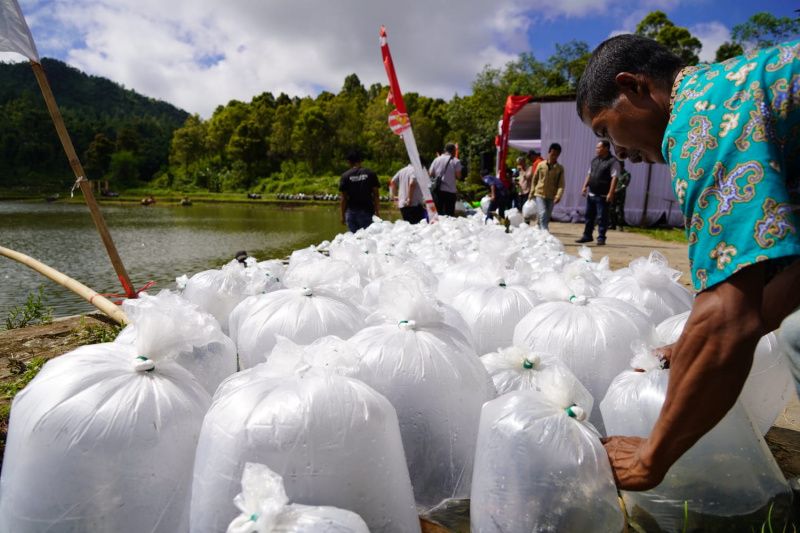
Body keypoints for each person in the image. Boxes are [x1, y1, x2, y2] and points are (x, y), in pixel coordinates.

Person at [576, 34, 800, 491]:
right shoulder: (734, 90)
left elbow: (728, 318)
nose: (616, 151)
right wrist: (697, 347)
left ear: (633, 87)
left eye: (604, 129)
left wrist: (649, 458)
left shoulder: (701, 118)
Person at [576, 140, 619, 245]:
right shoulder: (594, 160)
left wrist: (610, 193)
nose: (597, 150)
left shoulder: (613, 162)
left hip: (603, 195)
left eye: (599, 148)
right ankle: (587, 236)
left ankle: (601, 238)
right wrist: (584, 186)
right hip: (592, 193)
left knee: (602, 217)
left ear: (606, 149)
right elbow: (589, 174)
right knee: (588, 216)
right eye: (596, 148)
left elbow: (615, 178)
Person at [339, 150, 380, 233]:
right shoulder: (371, 174)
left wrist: (342, 216)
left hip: (351, 213)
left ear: (349, 162)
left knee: (355, 241)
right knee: (367, 239)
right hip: (367, 212)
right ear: (361, 161)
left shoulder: (345, 176)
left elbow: (344, 199)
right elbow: (376, 195)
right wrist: (377, 212)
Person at [529, 143, 565, 231]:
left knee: (546, 216)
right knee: (543, 213)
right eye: (553, 154)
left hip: (551, 196)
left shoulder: (560, 168)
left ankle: (539, 229)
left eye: (557, 155)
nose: (554, 157)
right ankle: (545, 233)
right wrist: (532, 192)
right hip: (539, 194)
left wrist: (558, 195)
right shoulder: (541, 165)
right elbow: (535, 179)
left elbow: (561, 184)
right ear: (549, 153)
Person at [429, 143, 462, 216]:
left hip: (438, 192)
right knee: (449, 216)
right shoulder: (456, 161)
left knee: (439, 215)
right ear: (453, 151)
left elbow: (431, 173)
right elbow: (458, 176)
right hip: (450, 192)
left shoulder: (436, 160)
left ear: (445, 150)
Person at [608, 160, 631, 230]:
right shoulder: (615, 174)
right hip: (613, 194)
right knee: (611, 209)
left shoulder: (626, 174)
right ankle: (612, 224)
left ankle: (620, 225)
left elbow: (625, 185)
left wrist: (616, 190)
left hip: (620, 195)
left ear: (622, 166)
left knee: (619, 210)